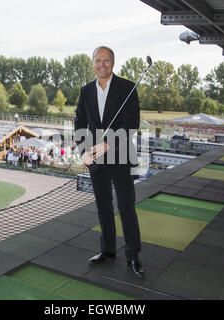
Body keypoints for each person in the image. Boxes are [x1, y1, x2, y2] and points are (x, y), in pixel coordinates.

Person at [74, 46, 144, 278]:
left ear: (113, 63)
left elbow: (132, 123)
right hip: (95, 158)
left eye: (106, 60)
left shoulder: (127, 87)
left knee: (125, 207)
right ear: (92, 63)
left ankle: (133, 256)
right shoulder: (86, 91)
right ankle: (108, 250)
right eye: (98, 60)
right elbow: (80, 123)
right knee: (103, 206)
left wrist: (108, 144)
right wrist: (83, 151)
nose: (102, 64)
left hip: (120, 156)